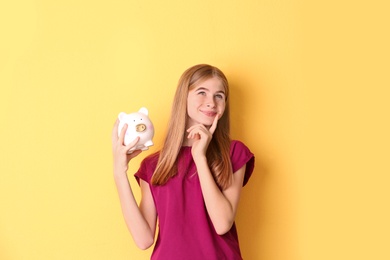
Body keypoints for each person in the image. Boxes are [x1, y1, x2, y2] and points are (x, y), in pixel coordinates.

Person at [111, 64, 255, 260]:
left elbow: (222, 223)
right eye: (202, 92)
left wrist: (200, 157)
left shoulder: (234, 153)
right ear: (183, 98)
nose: (211, 102)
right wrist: (119, 172)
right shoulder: (153, 165)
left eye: (219, 95)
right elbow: (143, 239)